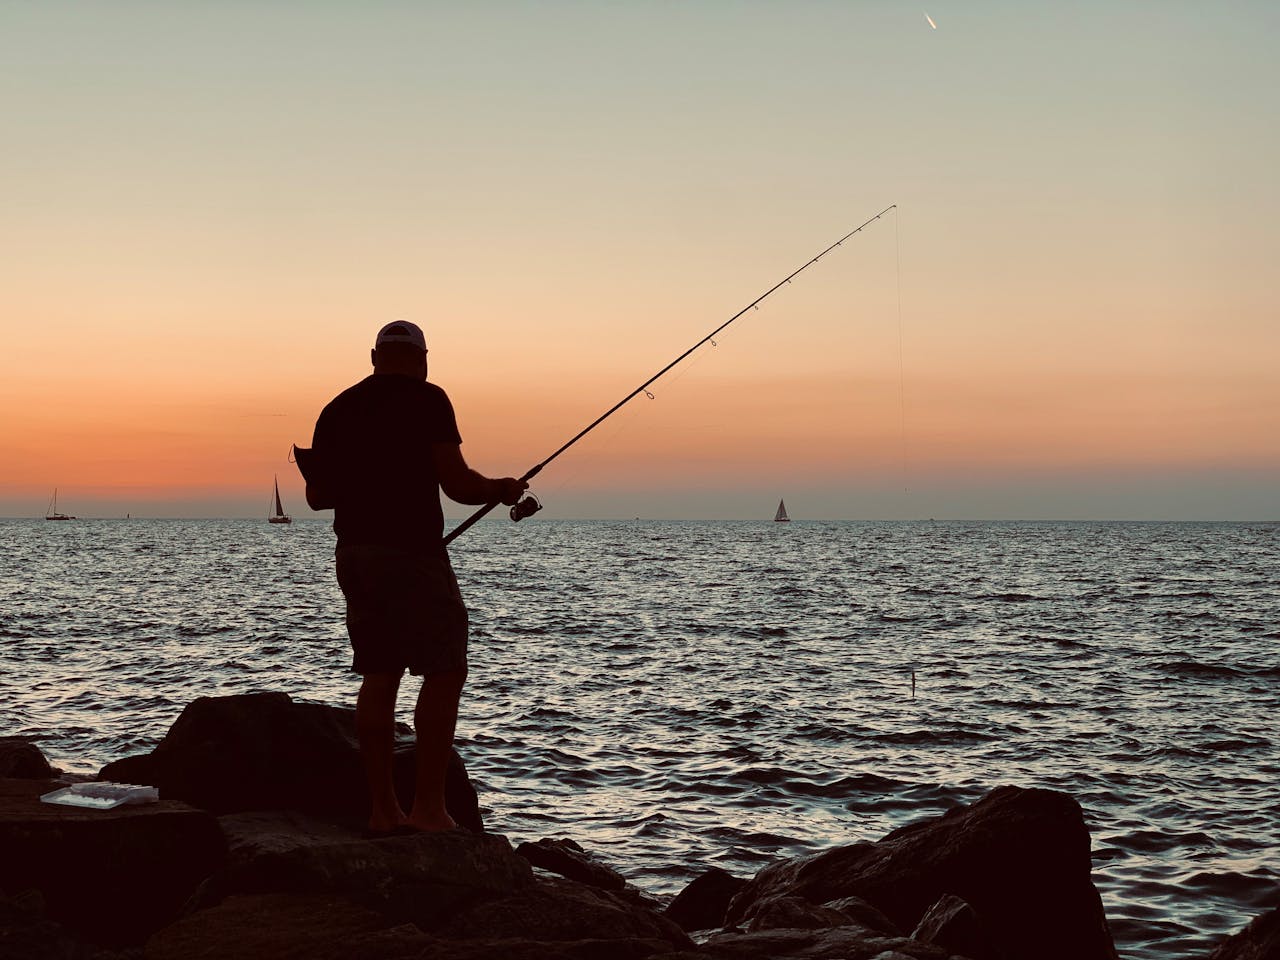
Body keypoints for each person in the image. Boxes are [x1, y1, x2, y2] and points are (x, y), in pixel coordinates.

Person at [303, 320, 526, 834]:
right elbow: (458, 483)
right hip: (413, 554)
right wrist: (503, 487)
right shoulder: (430, 399)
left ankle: (383, 812)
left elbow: (317, 498)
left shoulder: (336, 408)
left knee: (380, 675)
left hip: (355, 554)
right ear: (424, 358)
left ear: (374, 356)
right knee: (444, 670)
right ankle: (429, 809)